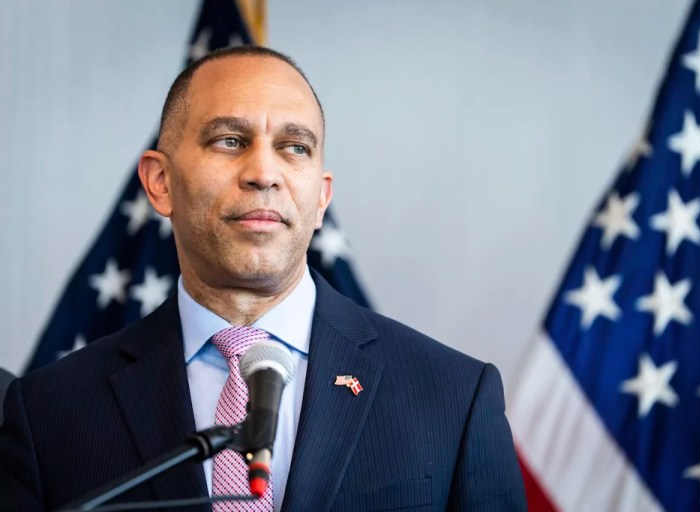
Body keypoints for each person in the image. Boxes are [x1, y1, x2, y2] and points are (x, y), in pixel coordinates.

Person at [0, 46, 526, 511]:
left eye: (295, 147)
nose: (263, 173)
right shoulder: (49, 412)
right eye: (229, 140)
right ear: (160, 183)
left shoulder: (453, 397)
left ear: (321, 197)